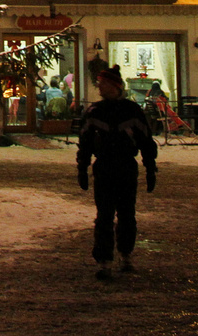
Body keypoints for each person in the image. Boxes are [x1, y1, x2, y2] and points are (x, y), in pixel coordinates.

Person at [76, 64, 158, 280]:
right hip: (104, 167)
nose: (99, 87)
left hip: (125, 167)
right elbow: (84, 142)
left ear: (114, 86)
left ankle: (125, 254)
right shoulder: (95, 111)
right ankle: (104, 260)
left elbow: (146, 141)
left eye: (102, 83)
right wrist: (82, 168)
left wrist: (150, 168)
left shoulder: (132, 111)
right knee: (104, 216)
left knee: (126, 214)